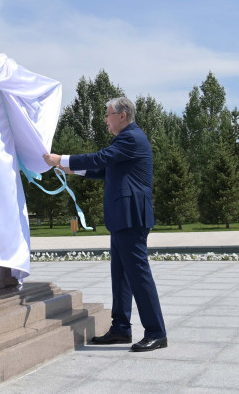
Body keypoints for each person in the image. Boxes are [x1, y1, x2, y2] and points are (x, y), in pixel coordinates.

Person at [44, 97, 167, 352]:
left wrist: (61, 159)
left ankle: (156, 332)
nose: (105, 120)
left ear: (122, 115)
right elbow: (106, 169)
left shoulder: (131, 138)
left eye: (108, 114)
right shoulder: (125, 140)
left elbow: (101, 158)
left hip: (131, 217)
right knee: (120, 275)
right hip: (123, 217)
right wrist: (72, 170)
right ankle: (120, 328)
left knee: (139, 275)